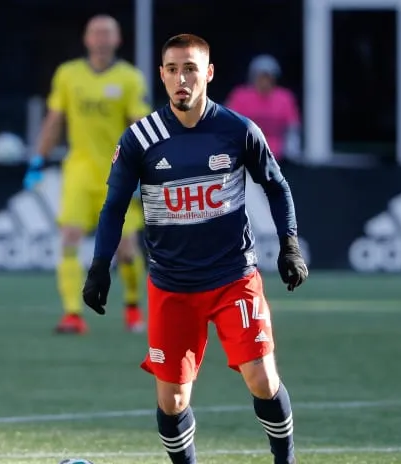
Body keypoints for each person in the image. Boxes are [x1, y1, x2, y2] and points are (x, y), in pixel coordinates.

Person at [82, 34, 308, 464]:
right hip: (172, 286)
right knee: (172, 401)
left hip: (233, 278)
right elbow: (113, 208)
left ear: (209, 73)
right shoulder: (140, 139)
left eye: (190, 69)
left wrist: (289, 245)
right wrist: (98, 268)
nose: (181, 79)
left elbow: (276, 187)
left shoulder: (238, 130)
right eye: (172, 70)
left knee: (262, 378)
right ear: (162, 75)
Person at [24, 14, 148, 335]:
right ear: (86, 39)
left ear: (117, 39)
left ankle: (132, 307)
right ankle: (73, 314)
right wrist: (38, 160)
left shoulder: (130, 78)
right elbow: (55, 120)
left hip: (118, 173)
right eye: (96, 33)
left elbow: (140, 126)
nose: (101, 39)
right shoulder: (68, 75)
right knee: (69, 238)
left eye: (108, 33)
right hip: (79, 171)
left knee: (126, 248)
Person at [226, 54, 301, 163]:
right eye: (261, 77)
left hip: (278, 157)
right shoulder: (240, 96)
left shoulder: (285, 98)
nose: (264, 81)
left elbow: (292, 128)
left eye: (268, 77)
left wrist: (291, 152)